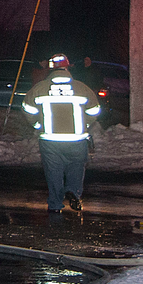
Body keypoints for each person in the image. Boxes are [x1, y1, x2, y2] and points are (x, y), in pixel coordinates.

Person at [22, 54, 101, 218]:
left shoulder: (40, 88)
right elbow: (94, 110)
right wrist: (84, 124)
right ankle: (73, 191)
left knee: (53, 172)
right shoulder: (81, 87)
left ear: (51, 69)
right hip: (76, 139)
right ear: (67, 67)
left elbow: (28, 108)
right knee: (76, 167)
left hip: (50, 140)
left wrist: (38, 125)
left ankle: (55, 204)